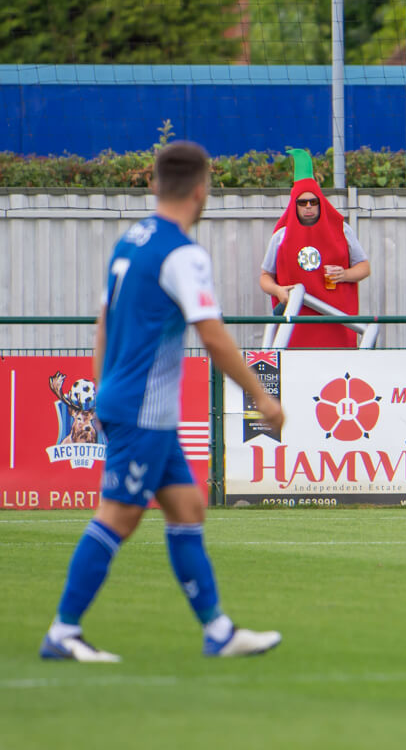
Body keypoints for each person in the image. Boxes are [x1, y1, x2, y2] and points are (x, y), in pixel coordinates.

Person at [39, 141, 286, 662]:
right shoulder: (183, 253)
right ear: (202, 190)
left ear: (154, 184)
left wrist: (101, 389)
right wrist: (262, 396)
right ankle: (63, 631)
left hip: (128, 402)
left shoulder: (131, 240)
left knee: (188, 507)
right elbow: (214, 337)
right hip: (142, 412)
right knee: (118, 517)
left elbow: (103, 322)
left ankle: (217, 630)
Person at [259, 148, 370, 348]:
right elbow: (265, 276)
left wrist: (344, 274)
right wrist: (277, 290)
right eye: (302, 202)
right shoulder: (280, 236)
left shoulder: (342, 230)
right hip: (294, 328)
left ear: (321, 203)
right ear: (295, 205)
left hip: (335, 323)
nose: (308, 206)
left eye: (313, 201)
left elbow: (364, 267)